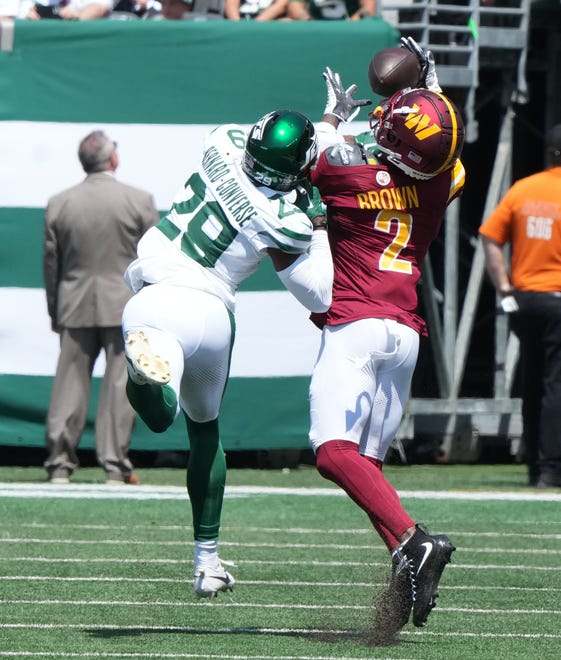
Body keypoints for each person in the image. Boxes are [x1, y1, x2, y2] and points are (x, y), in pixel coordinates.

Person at [121, 110, 333, 598]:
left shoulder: (222, 139)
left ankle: (143, 378)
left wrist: (325, 121)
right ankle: (206, 561)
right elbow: (319, 295)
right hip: (211, 312)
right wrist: (319, 223)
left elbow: (280, 150)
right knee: (204, 433)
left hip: (154, 294)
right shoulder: (284, 217)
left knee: (157, 417)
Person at [307, 40, 465, 644]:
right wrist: (433, 90)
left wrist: (329, 121)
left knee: (331, 453)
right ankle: (406, 566)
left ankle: (417, 543)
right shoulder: (438, 184)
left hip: (357, 326)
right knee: (366, 466)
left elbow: (303, 161)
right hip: (405, 334)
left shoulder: (347, 177)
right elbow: (446, 154)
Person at [43, 130, 160, 485]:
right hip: (125, 305)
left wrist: (55, 310)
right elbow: (155, 260)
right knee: (120, 384)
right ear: (113, 159)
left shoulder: (60, 203)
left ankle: (59, 464)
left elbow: (52, 264)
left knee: (68, 385)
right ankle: (114, 464)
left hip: (74, 302)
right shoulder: (138, 201)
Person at [479, 124, 561, 489]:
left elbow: (490, 238)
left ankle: (533, 465)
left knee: (531, 381)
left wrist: (505, 288)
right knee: (555, 385)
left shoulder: (523, 190)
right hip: (558, 299)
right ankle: (551, 468)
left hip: (525, 301)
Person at [286, 0, 374, 21]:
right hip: (315, 28)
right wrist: (308, 21)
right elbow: (294, 5)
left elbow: (368, 8)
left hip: (350, 28)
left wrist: (355, 20)